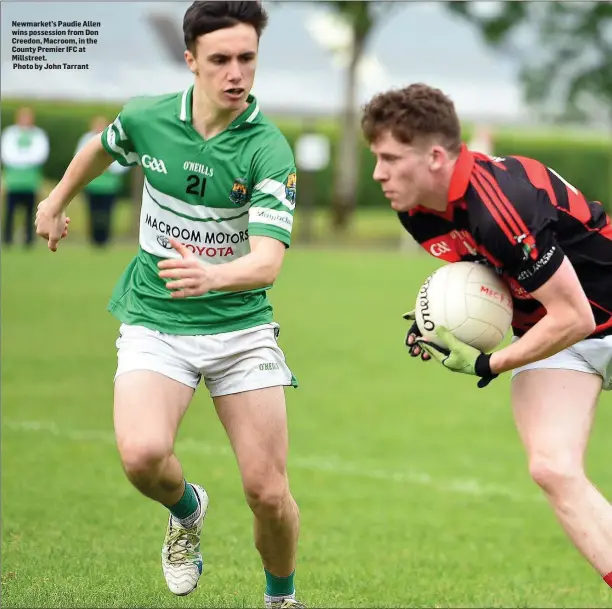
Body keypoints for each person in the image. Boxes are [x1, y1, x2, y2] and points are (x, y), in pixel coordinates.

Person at [34, 2, 304, 607]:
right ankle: (188, 509)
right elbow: (102, 147)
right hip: (156, 317)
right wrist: (55, 201)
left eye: (247, 59)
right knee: (142, 456)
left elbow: (267, 263)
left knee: (267, 491)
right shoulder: (147, 117)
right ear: (191, 62)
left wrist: (210, 276)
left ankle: (281, 598)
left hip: (241, 330)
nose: (236, 72)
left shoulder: (268, 149)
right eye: (221, 60)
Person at [361, 83, 612, 590]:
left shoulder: (500, 206)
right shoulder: (415, 208)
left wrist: (489, 364)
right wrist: (437, 318)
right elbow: (483, 276)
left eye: (389, 158)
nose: (378, 174)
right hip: (552, 331)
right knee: (551, 467)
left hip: (582, 315)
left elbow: (575, 315)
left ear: (434, 156)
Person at [75, 116, 130, 246]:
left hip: (109, 186)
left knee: (107, 213)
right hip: (92, 184)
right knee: (92, 213)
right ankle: (93, 239)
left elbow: (123, 161)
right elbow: (78, 158)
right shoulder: (86, 139)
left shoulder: (115, 139)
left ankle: (105, 239)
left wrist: (107, 166)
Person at [1, 106, 50, 247]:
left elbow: (39, 155)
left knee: (31, 214)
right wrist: (25, 158)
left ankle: (29, 241)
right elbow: (7, 155)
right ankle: (7, 240)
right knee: (10, 213)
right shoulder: (10, 134)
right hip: (13, 182)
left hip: (31, 182)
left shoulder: (38, 135)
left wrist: (21, 158)